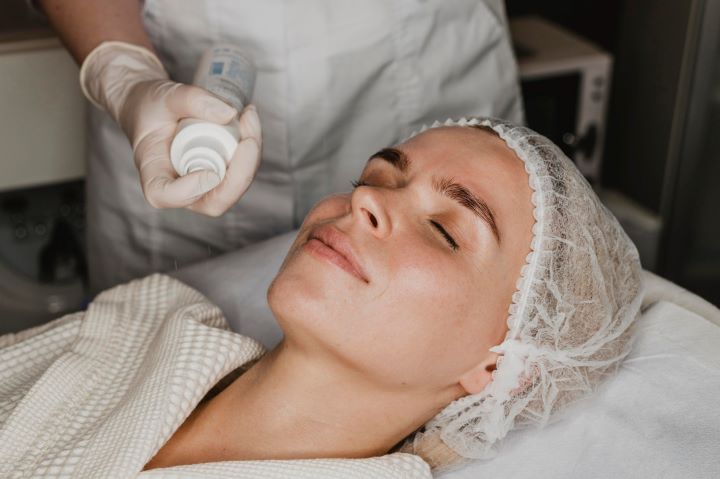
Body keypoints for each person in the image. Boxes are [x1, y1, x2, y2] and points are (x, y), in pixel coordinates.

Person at [0, 118, 643, 477]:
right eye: (374, 178)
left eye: (446, 230)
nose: (365, 199)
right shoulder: (149, 323)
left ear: (499, 366)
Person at [37, 0, 524, 296]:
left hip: (420, 70)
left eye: (444, 231)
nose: (363, 203)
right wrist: (121, 71)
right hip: (177, 100)